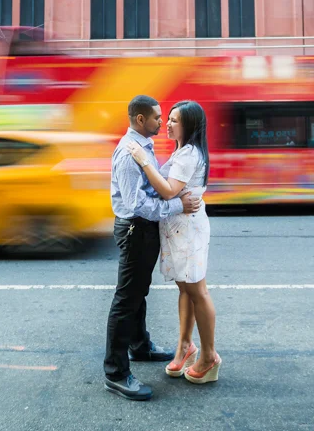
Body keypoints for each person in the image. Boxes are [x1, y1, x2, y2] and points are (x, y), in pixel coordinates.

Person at [103, 95, 202, 401]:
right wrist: (177, 205)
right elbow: (137, 204)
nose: (163, 122)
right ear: (141, 120)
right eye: (159, 118)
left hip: (143, 231)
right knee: (127, 298)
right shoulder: (128, 154)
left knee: (138, 292)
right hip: (135, 230)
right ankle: (116, 373)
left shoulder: (143, 146)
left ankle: (139, 346)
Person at [127, 100, 221, 385]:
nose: (166, 123)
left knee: (197, 290)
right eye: (166, 118)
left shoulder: (189, 154)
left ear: (189, 125)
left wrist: (143, 160)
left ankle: (209, 356)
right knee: (185, 287)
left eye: (174, 120)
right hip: (178, 227)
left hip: (188, 229)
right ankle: (185, 346)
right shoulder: (183, 150)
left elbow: (168, 190)